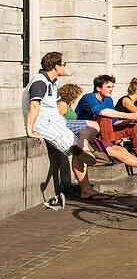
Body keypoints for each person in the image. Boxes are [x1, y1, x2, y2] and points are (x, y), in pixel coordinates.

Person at [22, 51, 101, 205]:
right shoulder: (40, 82)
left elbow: (58, 104)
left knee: (93, 125)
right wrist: (30, 131)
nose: (65, 67)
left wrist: (64, 123)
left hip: (57, 121)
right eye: (64, 64)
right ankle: (86, 189)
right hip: (44, 124)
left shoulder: (54, 81)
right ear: (56, 66)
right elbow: (34, 105)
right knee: (75, 151)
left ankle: (82, 144)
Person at [76, 75, 137, 170]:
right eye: (108, 87)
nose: (111, 89)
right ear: (98, 88)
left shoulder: (108, 100)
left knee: (132, 127)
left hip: (106, 133)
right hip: (88, 134)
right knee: (105, 117)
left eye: (112, 86)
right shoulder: (88, 97)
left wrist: (129, 121)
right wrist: (128, 115)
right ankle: (109, 152)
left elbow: (114, 123)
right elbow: (102, 112)